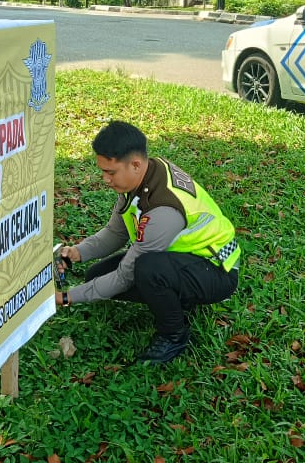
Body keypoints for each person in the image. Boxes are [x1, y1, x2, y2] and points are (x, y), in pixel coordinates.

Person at [55, 121, 242, 364]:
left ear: (135, 164)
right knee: (95, 275)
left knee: (148, 270)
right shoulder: (144, 175)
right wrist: (77, 253)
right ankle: (177, 296)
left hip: (217, 271)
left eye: (110, 172)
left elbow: (125, 276)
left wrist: (66, 298)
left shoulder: (163, 209)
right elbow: (115, 232)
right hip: (181, 258)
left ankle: (174, 335)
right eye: (103, 171)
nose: (105, 179)